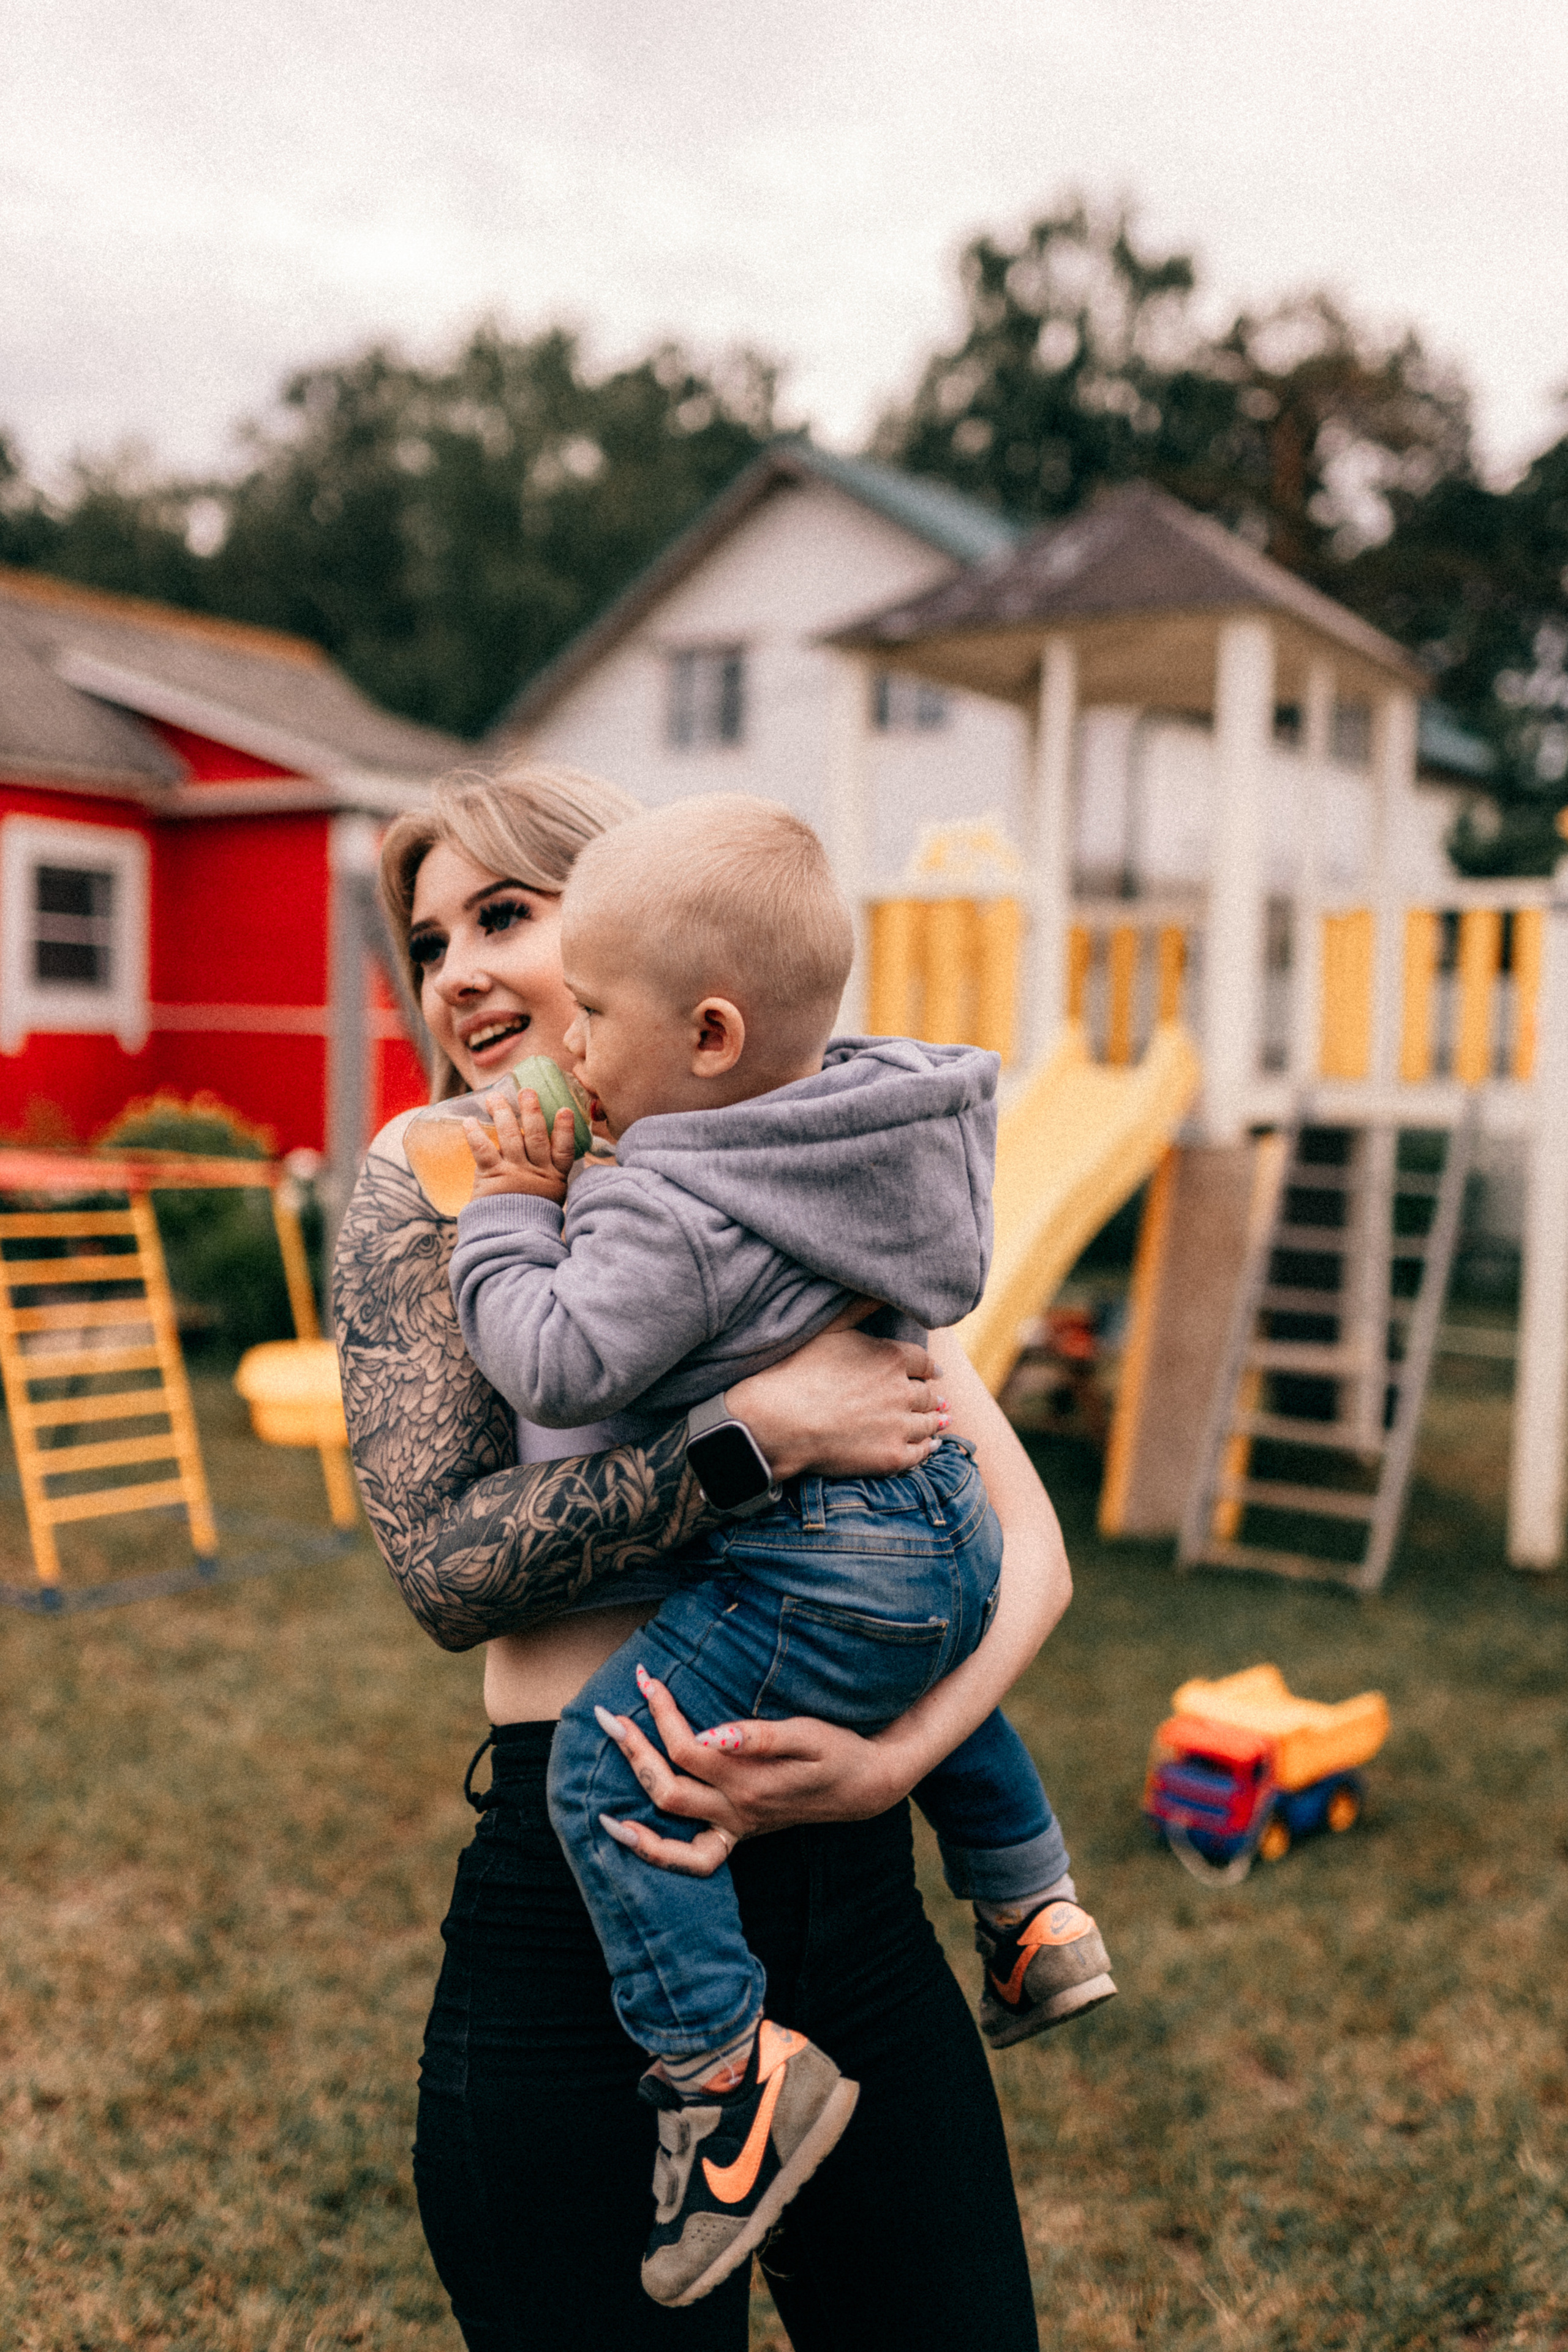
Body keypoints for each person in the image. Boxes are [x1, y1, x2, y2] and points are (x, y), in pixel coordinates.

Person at [333, 762, 1073, 2350]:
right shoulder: (438, 1178)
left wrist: (897, 1772)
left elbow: (1029, 1545)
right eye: (432, 937)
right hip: (585, 1908)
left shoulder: (789, 1160)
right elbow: (445, 1570)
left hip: (860, 1907)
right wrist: (756, 1437)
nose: (457, 968)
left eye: (507, 917)